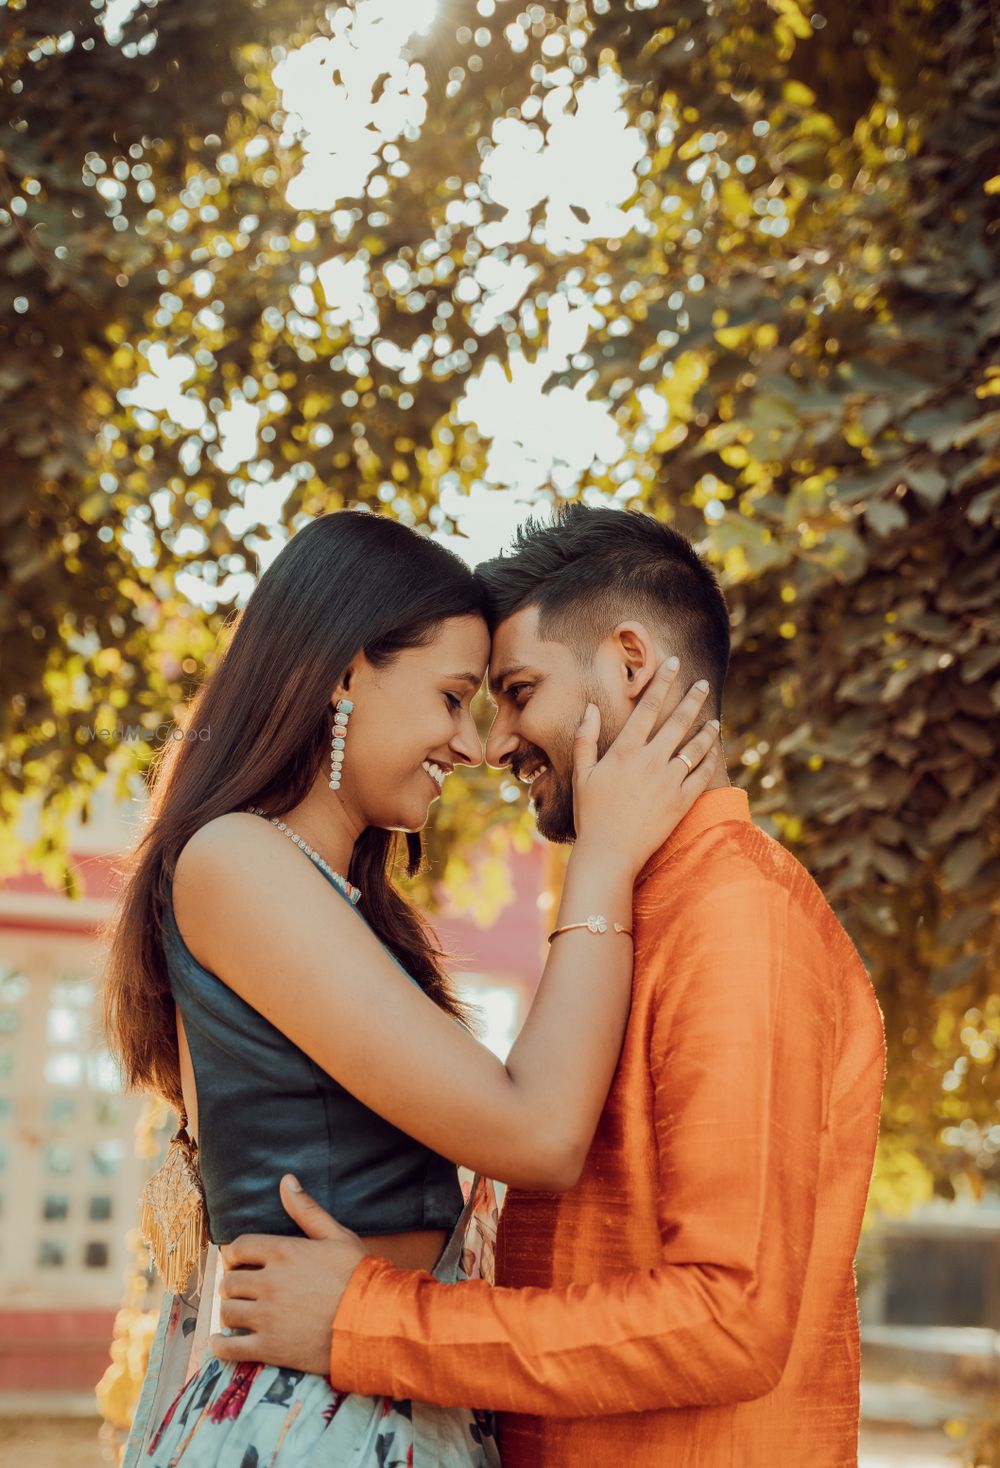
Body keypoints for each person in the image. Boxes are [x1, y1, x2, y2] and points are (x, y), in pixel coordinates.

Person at [213, 504, 888, 1468]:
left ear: (628, 664)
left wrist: (373, 1319)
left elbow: (727, 1316)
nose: (495, 745)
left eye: (518, 692)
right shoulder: (627, 913)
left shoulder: (741, 914)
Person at [102, 506, 721, 1467]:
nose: (473, 745)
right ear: (349, 671)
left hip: (388, 1394)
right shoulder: (235, 860)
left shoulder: (330, 897)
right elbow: (539, 1134)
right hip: (313, 1422)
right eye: (454, 697)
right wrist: (601, 856)